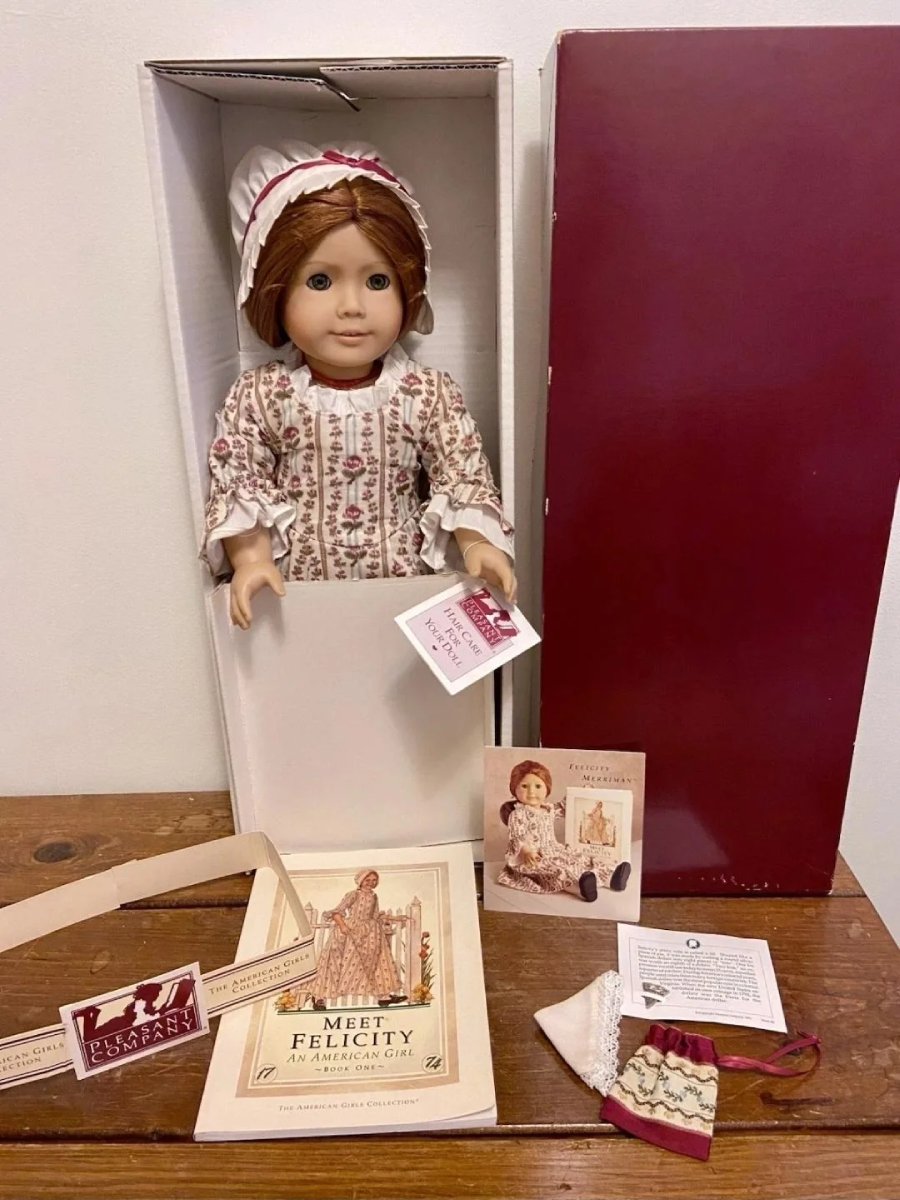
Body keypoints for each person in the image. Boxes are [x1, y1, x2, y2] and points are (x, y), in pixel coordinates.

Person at [201, 142, 515, 628]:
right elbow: (241, 477)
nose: (352, 306)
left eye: (377, 282)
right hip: (299, 599)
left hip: (407, 594)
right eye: (321, 282)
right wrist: (251, 558)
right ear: (275, 289)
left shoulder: (426, 393)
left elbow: (461, 470)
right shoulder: (261, 397)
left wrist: (476, 543)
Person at [497, 760, 631, 900]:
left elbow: (564, 807)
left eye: (538, 786)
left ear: (547, 788)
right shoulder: (518, 814)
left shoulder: (548, 809)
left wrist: (582, 792)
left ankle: (611, 878)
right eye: (524, 786)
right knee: (558, 871)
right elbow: (517, 836)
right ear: (514, 789)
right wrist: (526, 851)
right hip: (534, 857)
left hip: (554, 850)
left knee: (580, 859)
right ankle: (581, 888)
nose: (531, 792)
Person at [309, 868, 407, 1009]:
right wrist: (343, 926)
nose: (371, 883)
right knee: (335, 963)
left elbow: (375, 916)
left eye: (374, 881)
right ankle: (319, 997)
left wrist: (395, 917)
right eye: (368, 880)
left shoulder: (374, 896)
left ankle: (383, 996)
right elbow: (337, 912)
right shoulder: (353, 894)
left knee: (375, 962)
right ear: (361, 880)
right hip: (349, 931)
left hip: (369, 932)